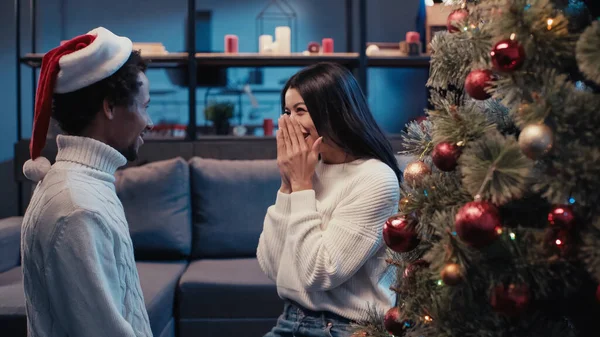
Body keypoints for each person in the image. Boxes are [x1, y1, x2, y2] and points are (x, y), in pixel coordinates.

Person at [20, 27, 154, 337]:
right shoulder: (77, 207)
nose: (149, 122)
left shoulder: (83, 185)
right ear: (109, 106)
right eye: (144, 107)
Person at [257, 62, 402, 337]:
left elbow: (319, 272)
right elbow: (273, 267)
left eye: (300, 111)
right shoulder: (310, 171)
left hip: (344, 329)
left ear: (335, 112)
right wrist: (287, 186)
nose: (289, 122)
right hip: (290, 319)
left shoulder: (375, 178)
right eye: (287, 112)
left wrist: (300, 185)